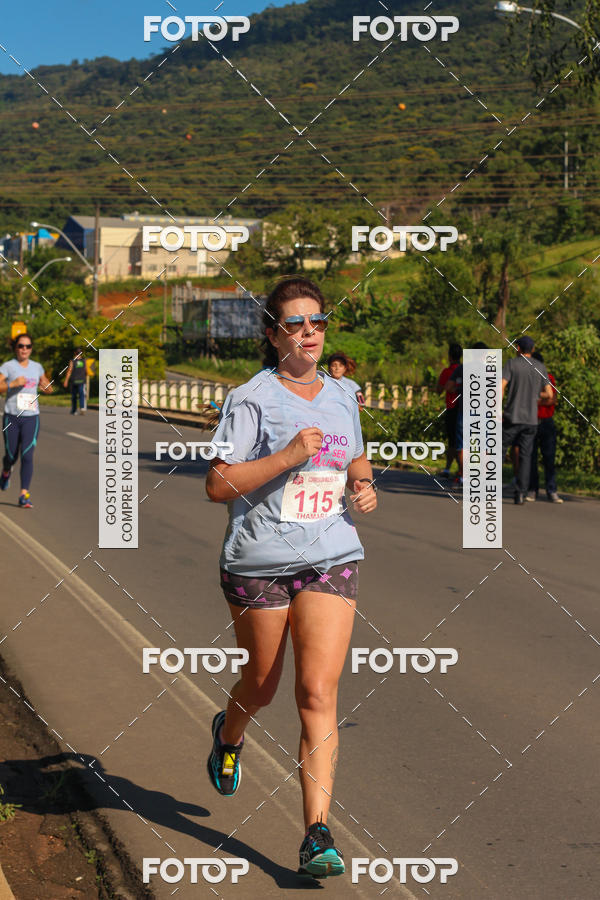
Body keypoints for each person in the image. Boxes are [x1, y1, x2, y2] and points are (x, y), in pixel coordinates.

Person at [205, 277, 377, 878]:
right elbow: (217, 485)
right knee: (262, 681)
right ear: (274, 334)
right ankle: (229, 734)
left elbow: (352, 453)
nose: (310, 332)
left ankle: (316, 834)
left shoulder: (342, 393)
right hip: (258, 563)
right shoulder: (251, 399)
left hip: (330, 553)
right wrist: (284, 458)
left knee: (317, 693)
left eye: (318, 321)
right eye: (296, 323)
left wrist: (362, 481)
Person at [0, 334, 53, 507]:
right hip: (11, 418)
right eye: (21, 346)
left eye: (28, 346)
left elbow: (48, 387)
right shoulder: (8, 366)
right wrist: (12, 384)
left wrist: (46, 387)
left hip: (31, 417)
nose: (24, 349)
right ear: (16, 348)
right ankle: (6, 470)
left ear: (31, 348)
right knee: (11, 455)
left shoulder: (37, 367)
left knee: (27, 455)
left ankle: (24, 494)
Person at [501, 336, 554, 505]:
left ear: (518, 348)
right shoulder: (540, 367)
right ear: (532, 349)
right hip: (531, 419)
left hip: (512, 416)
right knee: (526, 456)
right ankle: (521, 493)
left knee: (500, 450)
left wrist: (497, 409)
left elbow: (500, 386)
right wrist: (534, 397)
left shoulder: (511, 364)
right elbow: (549, 394)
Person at [527, 351, 562, 503]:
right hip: (530, 422)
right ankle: (532, 489)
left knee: (549, 458)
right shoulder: (527, 379)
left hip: (547, 422)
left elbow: (552, 400)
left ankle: (551, 490)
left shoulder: (549, 378)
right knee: (531, 458)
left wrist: (534, 400)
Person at [435, 342, 461, 477]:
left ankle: (448, 469)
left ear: (450, 356)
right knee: (461, 441)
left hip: (451, 409)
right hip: (464, 409)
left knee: (453, 441)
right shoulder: (465, 369)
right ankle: (458, 470)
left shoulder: (447, 372)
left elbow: (439, 390)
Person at [63, 348, 87, 414]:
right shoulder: (84, 361)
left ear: (75, 353)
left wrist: (66, 380)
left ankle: (74, 410)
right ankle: (82, 408)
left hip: (74, 381)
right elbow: (87, 371)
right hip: (82, 381)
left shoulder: (72, 361)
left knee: (74, 396)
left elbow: (69, 371)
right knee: (82, 394)